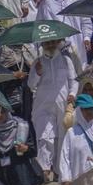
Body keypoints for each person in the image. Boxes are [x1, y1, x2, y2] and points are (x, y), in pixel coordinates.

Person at [28, 39, 79, 177]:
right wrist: (37, 73)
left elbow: (73, 80)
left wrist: (72, 94)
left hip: (62, 103)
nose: (50, 45)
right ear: (42, 45)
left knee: (61, 137)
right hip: (42, 104)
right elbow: (31, 85)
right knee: (44, 135)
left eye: (53, 43)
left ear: (57, 44)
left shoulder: (65, 60)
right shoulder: (38, 62)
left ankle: (59, 169)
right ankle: (44, 168)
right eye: (47, 43)